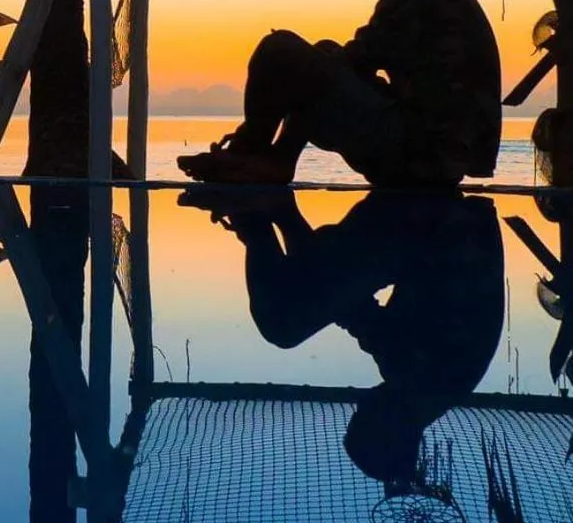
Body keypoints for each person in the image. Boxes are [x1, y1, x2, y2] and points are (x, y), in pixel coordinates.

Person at [180, 185, 504, 485]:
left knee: (305, 303)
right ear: (386, 431)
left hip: (441, 229)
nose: (360, 404)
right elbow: (346, 306)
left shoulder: (424, 388)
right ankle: (253, 216)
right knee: (282, 324)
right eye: (362, 418)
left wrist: (290, 224)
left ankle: (267, 210)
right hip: (432, 227)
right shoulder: (423, 375)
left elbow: (342, 301)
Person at [178, 0, 501, 187]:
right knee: (323, 52)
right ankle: (275, 160)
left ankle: (249, 152)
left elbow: (351, 63)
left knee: (278, 50)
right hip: (440, 157)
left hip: (423, 158)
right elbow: (348, 63)